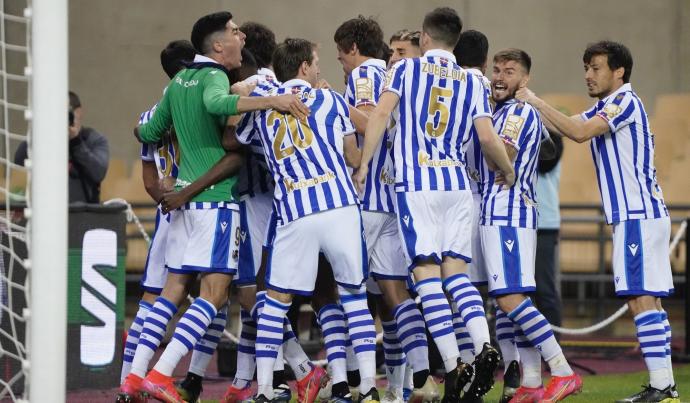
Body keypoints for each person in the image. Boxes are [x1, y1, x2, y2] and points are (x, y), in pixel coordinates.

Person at [127, 12, 309, 403]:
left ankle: (133, 379)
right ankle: (164, 374)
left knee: (171, 293)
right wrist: (272, 101)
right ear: (217, 46)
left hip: (183, 209)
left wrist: (139, 132)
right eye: (232, 32)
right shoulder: (213, 78)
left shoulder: (176, 83)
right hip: (217, 205)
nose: (238, 37)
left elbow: (150, 131)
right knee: (214, 296)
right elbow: (217, 103)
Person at [354, 7, 515, 402]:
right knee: (457, 274)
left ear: (424, 38)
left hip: (417, 185)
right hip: (458, 186)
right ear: (455, 42)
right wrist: (507, 171)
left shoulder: (405, 70)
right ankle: (481, 346)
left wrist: (364, 165)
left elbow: (380, 115)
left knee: (426, 277)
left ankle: (453, 364)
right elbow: (487, 135)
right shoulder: (471, 80)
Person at [517, 40, 678, 403]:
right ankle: (664, 385)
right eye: (586, 68)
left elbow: (578, 133)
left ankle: (661, 388)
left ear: (619, 71)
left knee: (640, 300)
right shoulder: (608, 105)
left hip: (637, 215)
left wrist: (533, 100)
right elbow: (572, 124)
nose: (588, 75)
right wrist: (529, 109)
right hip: (641, 216)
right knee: (648, 302)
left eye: (596, 68)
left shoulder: (624, 101)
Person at [235, 38, 379, 403]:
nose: (319, 70)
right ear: (303, 67)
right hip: (339, 209)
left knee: (275, 302)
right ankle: (369, 387)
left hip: (293, 211)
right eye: (315, 63)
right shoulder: (330, 99)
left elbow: (234, 134)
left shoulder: (262, 110)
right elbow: (351, 153)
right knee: (354, 298)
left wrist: (254, 89)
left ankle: (266, 389)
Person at [334, 15, 431, 403]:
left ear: (354, 49)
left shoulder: (364, 77)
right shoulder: (399, 76)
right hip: (395, 200)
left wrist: (335, 109)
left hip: (366, 201)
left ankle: (360, 384)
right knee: (393, 297)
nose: (341, 62)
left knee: (350, 295)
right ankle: (413, 382)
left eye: (341, 55)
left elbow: (370, 118)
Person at [481, 49, 581, 403]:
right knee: (511, 301)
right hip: (512, 214)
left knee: (510, 300)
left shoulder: (516, 112)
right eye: (496, 69)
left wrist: (480, 131)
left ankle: (563, 371)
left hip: (507, 212)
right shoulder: (506, 111)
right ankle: (532, 383)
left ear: (525, 80)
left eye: (509, 71)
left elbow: (504, 154)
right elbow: (545, 150)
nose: (499, 76)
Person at [118, 39, 195, 401]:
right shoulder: (191, 104)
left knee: (153, 296)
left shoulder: (150, 115)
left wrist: (165, 201)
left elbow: (150, 180)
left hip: (168, 212)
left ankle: (127, 382)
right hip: (197, 208)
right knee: (216, 295)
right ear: (186, 65)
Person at [14, 91, 109, 203]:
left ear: (79, 112)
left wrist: (75, 141)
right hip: (47, 210)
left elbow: (98, 173)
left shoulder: (93, 139)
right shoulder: (44, 138)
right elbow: (19, 162)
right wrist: (39, 129)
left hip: (85, 213)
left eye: (67, 112)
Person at [534, 134, 564, 331]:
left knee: (544, 290)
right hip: (518, 221)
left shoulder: (552, 139)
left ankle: (554, 351)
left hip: (544, 223)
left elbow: (546, 164)